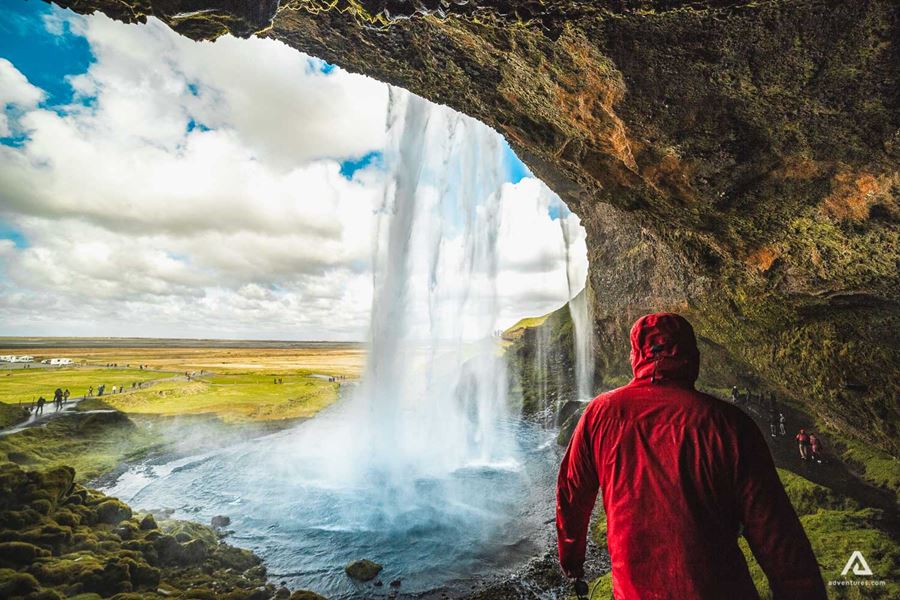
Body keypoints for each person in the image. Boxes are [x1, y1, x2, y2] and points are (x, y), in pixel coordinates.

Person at [556, 313, 825, 599]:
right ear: (692, 356)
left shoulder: (600, 413)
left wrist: (572, 560)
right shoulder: (730, 425)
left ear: (635, 356)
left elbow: (572, 493)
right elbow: (777, 535)